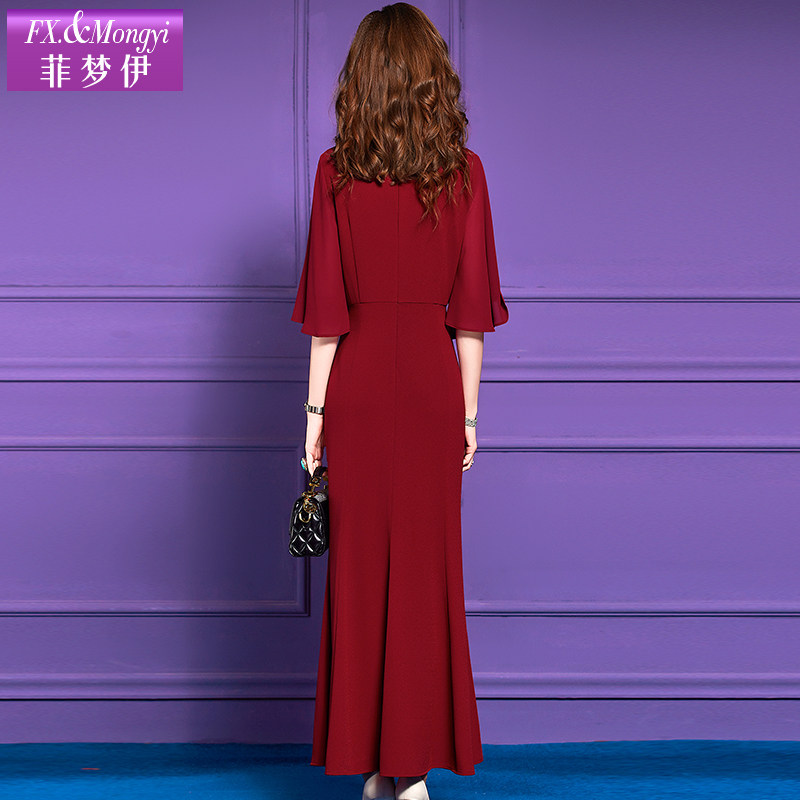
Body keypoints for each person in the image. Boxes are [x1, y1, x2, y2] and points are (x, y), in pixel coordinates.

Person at [290, 4, 509, 799]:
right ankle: (404, 772)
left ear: (362, 80)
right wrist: (470, 415)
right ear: (431, 81)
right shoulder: (465, 173)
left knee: (359, 582)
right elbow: (472, 315)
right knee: (423, 579)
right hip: (429, 387)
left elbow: (326, 317)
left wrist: (314, 419)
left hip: (355, 387)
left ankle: (377, 770)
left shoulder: (335, 173)